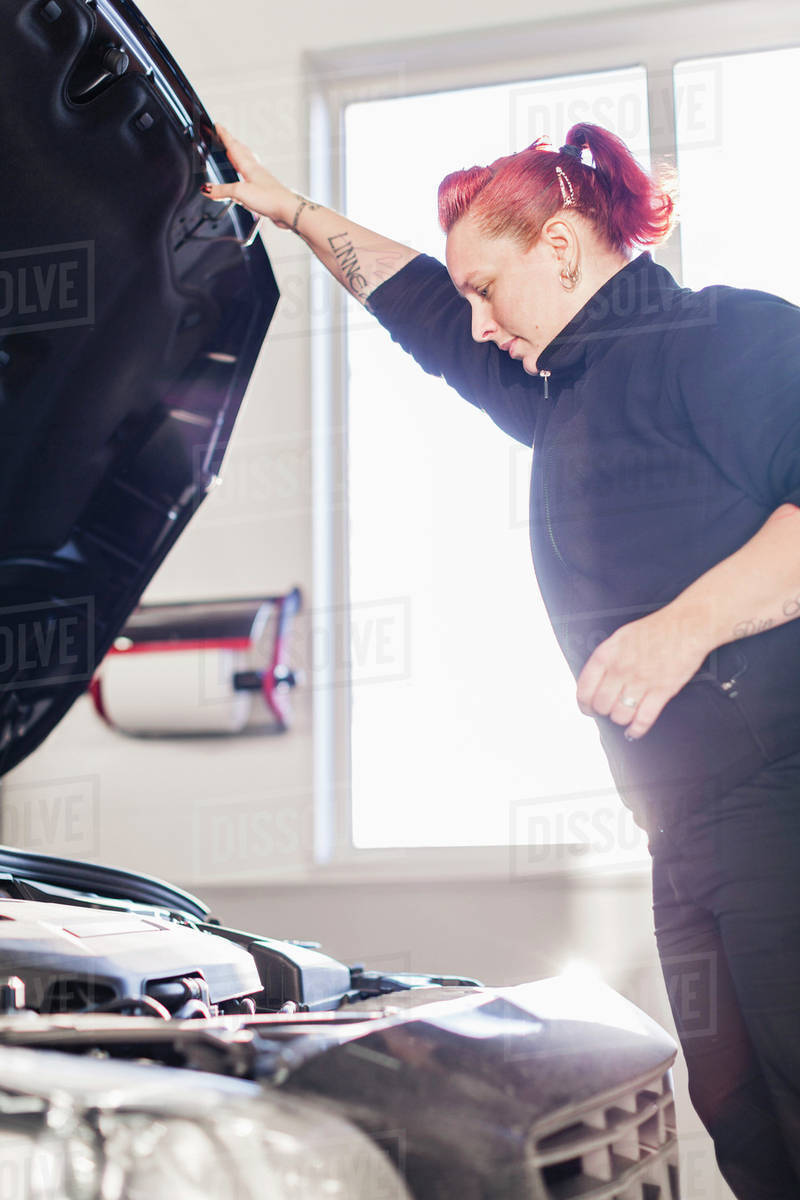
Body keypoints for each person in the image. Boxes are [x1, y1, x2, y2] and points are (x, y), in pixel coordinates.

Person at [202, 122, 800, 1198]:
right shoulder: (558, 389)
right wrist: (292, 212)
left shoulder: (728, 340)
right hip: (679, 832)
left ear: (561, 249)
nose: (476, 321)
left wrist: (681, 628)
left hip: (782, 802)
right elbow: (420, 306)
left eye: (491, 287)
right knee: (744, 1131)